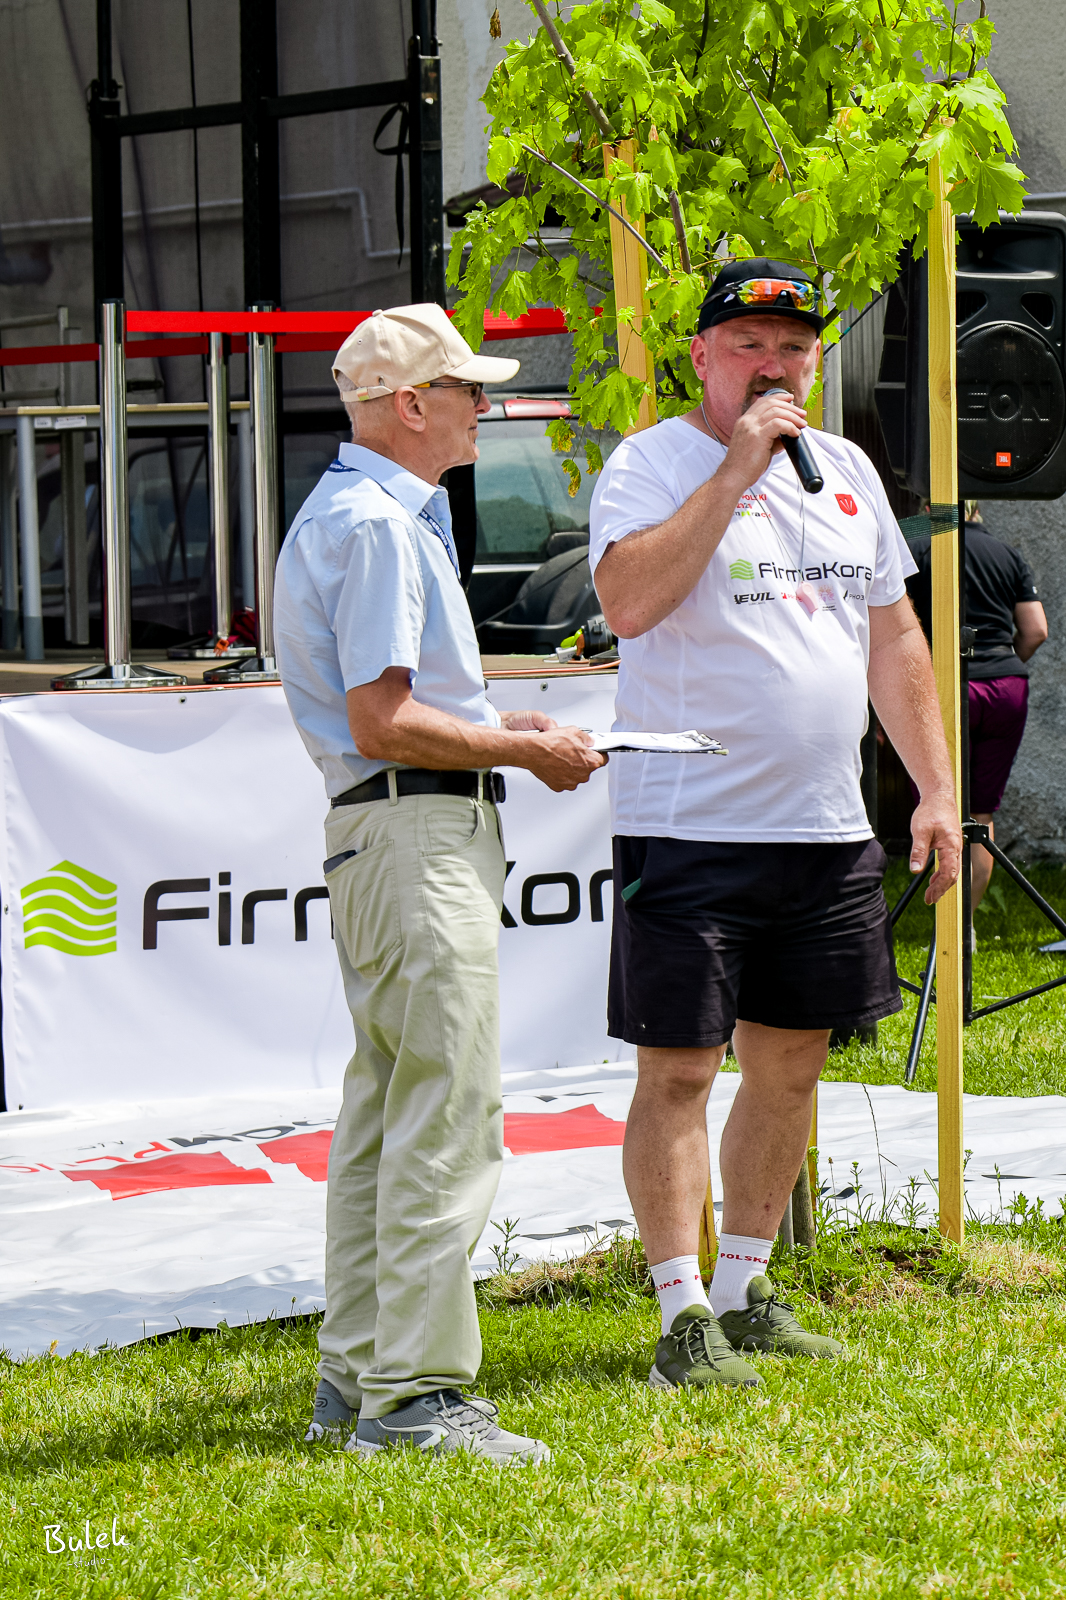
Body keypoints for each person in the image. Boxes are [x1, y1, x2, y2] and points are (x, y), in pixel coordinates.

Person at [589, 258, 962, 1391]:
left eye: (794, 348)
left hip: (824, 828)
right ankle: (679, 1313)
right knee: (679, 1072)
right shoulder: (650, 463)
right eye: (748, 344)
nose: (773, 365)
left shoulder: (845, 469)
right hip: (688, 824)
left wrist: (936, 788)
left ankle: (746, 1289)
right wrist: (736, 471)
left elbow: (892, 636)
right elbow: (628, 602)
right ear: (700, 355)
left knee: (791, 1067)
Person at [273, 304, 604, 1462]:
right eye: (467, 388)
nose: (483, 405)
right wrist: (516, 745)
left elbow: (397, 710)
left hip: (388, 830)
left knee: (390, 1111)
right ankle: (411, 1398)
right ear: (410, 404)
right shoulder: (378, 524)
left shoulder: (357, 512)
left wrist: (495, 727)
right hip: (413, 831)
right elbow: (383, 717)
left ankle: (357, 1380)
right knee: (445, 1117)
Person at [905, 505, 1047, 917]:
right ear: (978, 508)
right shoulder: (1007, 552)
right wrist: (999, 664)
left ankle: (943, 935)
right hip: (1005, 688)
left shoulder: (916, 544)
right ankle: (964, 927)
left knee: (937, 802)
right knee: (981, 814)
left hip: (945, 686)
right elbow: (1036, 629)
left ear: (928, 506)